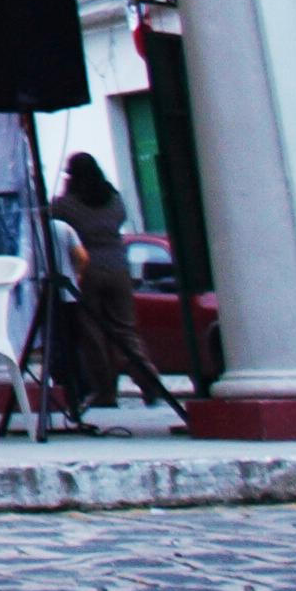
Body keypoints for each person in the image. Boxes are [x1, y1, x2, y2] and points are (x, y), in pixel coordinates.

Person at [50, 153, 184, 421]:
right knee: (125, 331)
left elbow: (54, 217)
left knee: (94, 334)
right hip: (119, 267)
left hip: (88, 269)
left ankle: (105, 391)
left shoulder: (67, 205)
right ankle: (149, 382)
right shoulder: (115, 201)